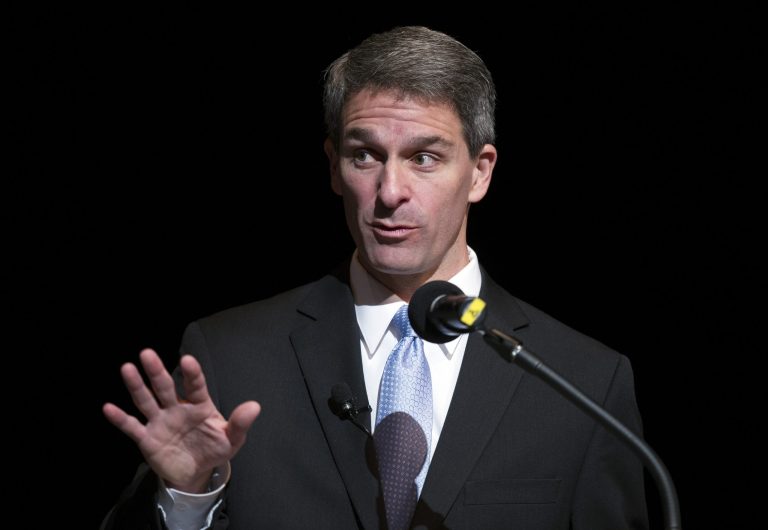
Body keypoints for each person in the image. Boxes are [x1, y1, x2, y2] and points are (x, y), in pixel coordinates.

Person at [101, 25, 649, 529]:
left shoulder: (583, 383)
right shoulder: (231, 356)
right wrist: (190, 494)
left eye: (424, 158)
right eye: (365, 155)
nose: (390, 192)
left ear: (480, 172)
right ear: (334, 166)